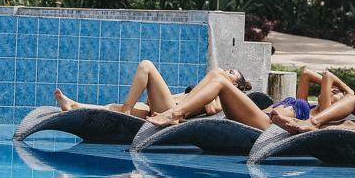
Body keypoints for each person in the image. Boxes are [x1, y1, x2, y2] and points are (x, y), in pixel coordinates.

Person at [143, 66, 355, 131]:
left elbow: (327, 76)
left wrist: (347, 93)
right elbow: (307, 72)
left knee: (221, 81)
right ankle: (179, 110)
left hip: (262, 124)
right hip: (255, 116)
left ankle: (175, 113)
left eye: (336, 95)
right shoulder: (306, 103)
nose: (333, 92)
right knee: (218, 73)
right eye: (333, 91)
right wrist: (343, 91)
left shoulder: (322, 112)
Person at [54, 59, 252, 118]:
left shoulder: (220, 94)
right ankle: (74, 105)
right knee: (111, 107)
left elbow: (211, 110)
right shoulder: (210, 85)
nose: (226, 70)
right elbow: (183, 96)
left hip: (170, 112)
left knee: (146, 66)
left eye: (231, 71)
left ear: (234, 85)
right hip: (164, 105)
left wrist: (215, 87)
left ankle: (125, 110)